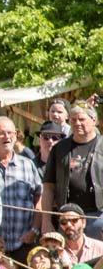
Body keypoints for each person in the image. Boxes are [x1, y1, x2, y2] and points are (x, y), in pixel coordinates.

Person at [0, 116, 43, 267]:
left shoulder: (28, 165)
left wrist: (34, 230)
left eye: (10, 133)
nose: (7, 137)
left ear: (16, 136)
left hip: (24, 243)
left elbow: (40, 197)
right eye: (1, 133)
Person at [39, 100, 103, 240]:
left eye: (82, 119)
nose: (77, 123)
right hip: (67, 218)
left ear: (94, 120)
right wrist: (46, 220)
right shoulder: (60, 148)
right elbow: (48, 187)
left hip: (98, 216)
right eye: (73, 120)